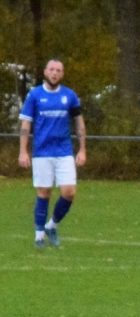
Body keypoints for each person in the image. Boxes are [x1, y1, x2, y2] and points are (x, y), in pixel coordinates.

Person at [18, 59, 86, 249]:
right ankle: (39, 235)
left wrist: (82, 149)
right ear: (45, 72)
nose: (55, 73)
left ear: (62, 74)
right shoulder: (35, 95)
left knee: (69, 192)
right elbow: (26, 124)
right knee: (44, 192)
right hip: (42, 152)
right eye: (52, 69)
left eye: (58, 70)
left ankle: (51, 226)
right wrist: (23, 151)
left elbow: (79, 122)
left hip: (64, 151)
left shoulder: (70, 96)